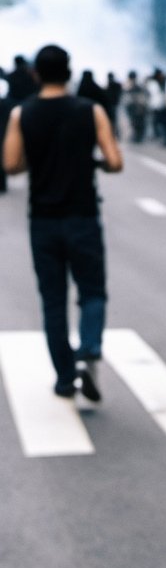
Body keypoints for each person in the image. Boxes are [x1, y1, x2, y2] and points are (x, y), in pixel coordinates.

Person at [2, 44, 122, 400]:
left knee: (53, 301)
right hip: (83, 213)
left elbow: (10, 164)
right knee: (92, 291)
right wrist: (93, 163)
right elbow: (115, 161)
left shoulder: (22, 114)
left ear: (36, 74)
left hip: (43, 219)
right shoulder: (90, 110)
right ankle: (89, 347)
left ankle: (65, 377)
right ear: (68, 72)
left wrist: (36, 162)